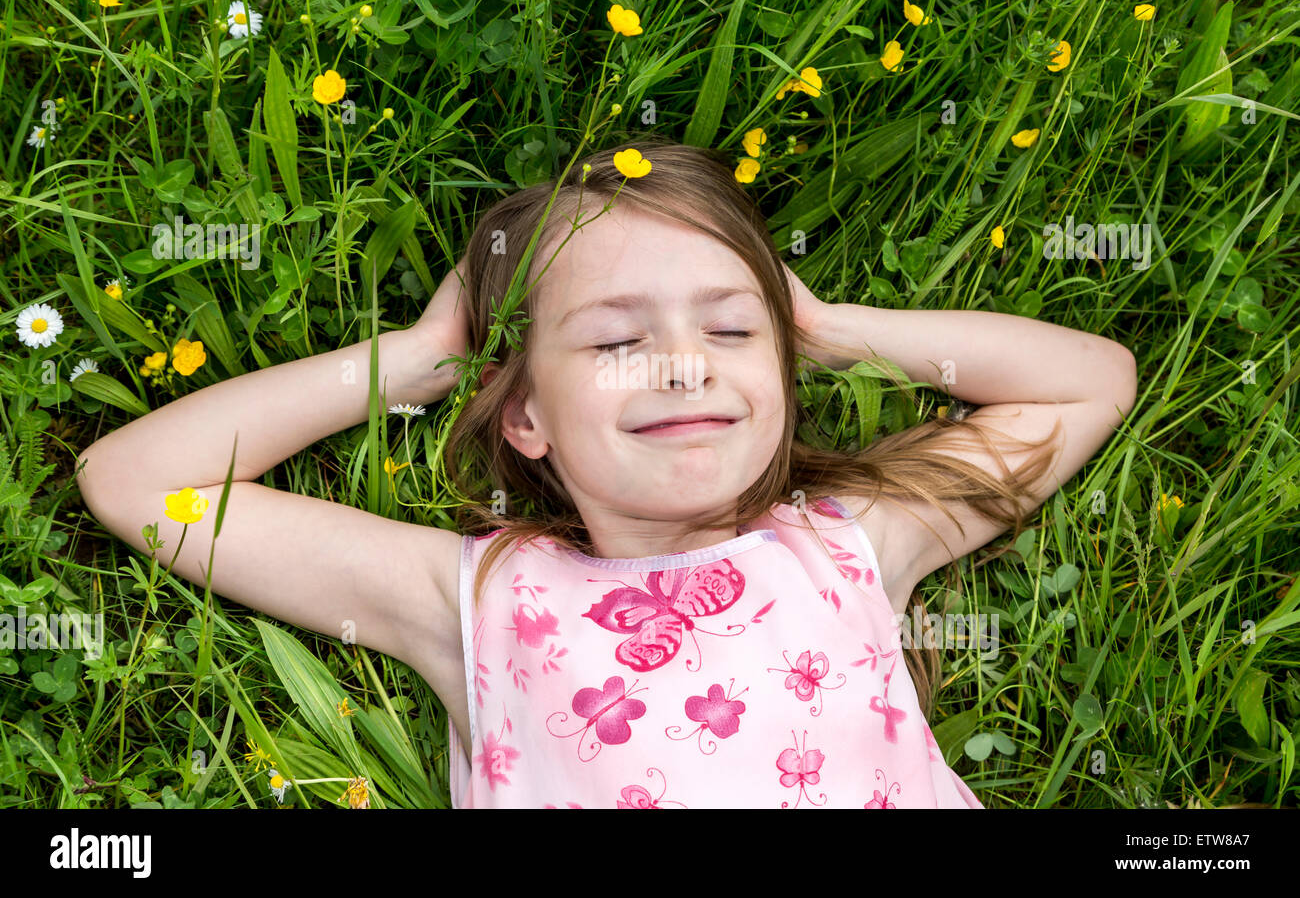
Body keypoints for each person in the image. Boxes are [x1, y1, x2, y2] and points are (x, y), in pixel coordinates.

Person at [77, 140, 1137, 808]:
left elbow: (1087, 384)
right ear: (527, 414)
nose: (685, 362)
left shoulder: (852, 543)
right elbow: (138, 482)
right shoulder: (480, 598)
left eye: (730, 326)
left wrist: (831, 325)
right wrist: (410, 358)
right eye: (615, 342)